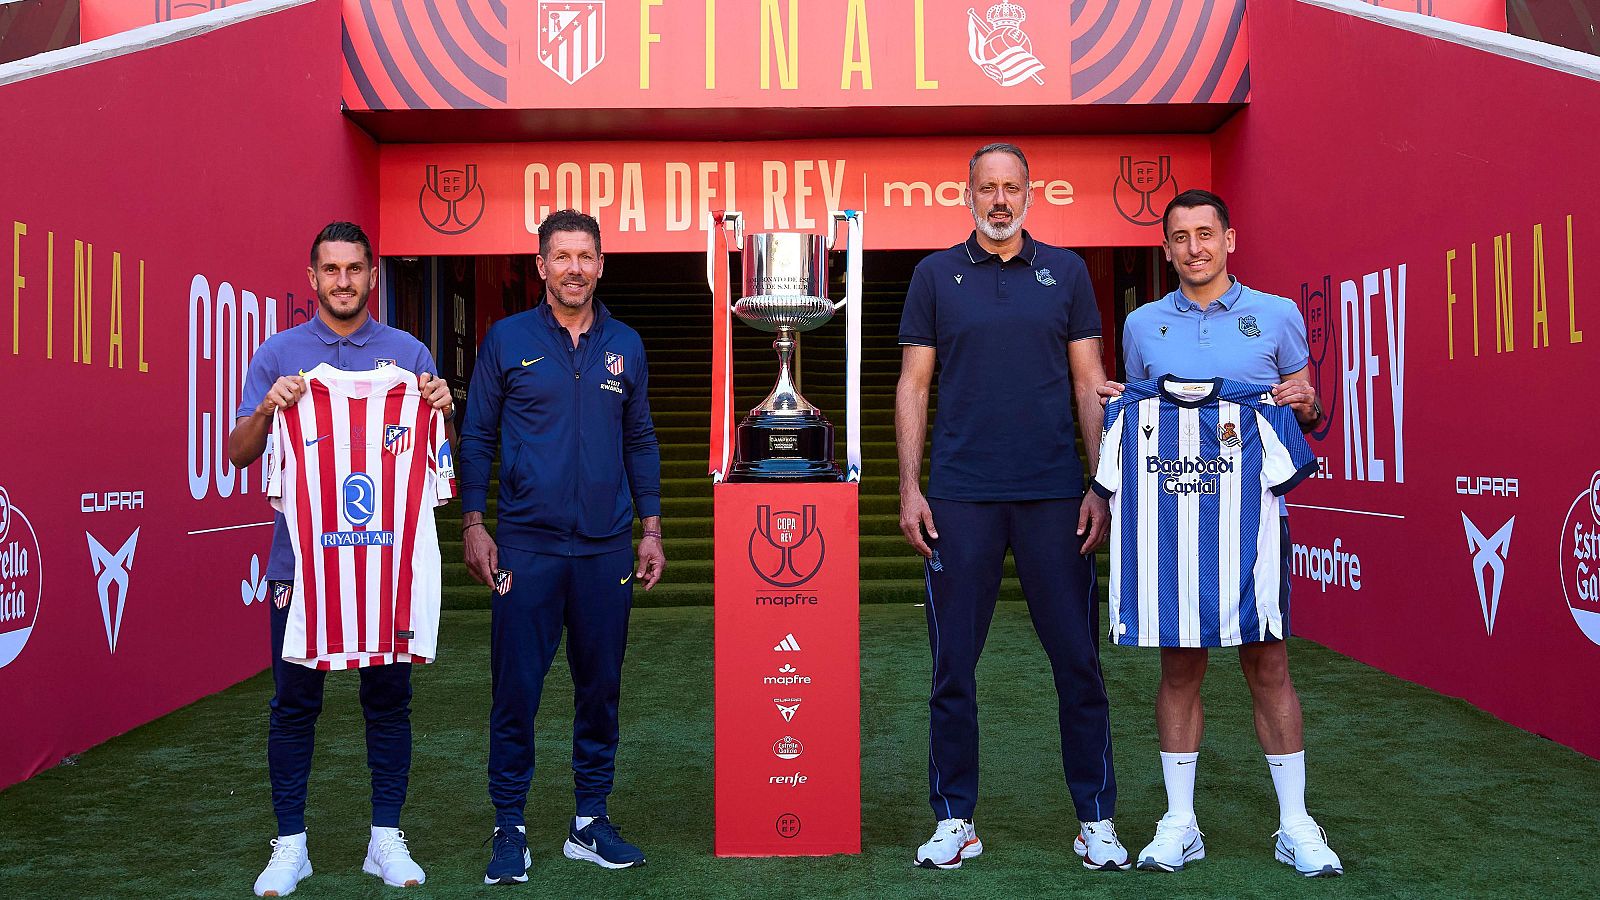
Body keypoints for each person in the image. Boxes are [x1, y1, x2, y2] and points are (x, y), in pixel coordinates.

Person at [896, 143, 1126, 871]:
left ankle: (1096, 818)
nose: (999, 200)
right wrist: (911, 485)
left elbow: (1090, 382)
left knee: (1078, 665)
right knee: (952, 669)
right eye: (987, 188)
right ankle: (955, 818)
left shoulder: (1069, 271)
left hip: (1056, 494)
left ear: (1031, 193)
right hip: (960, 497)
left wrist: (1101, 484)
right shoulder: (935, 274)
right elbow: (913, 385)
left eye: (1011, 188)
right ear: (967, 193)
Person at [1103, 189, 1342, 877]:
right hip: (1173, 527)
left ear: (1229, 238)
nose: (1193, 248)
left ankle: (1295, 824)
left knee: (1268, 664)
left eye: (1205, 234)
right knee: (1179, 666)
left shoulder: (1276, 315)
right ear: (1167, 247)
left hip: (1254, 522)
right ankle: (1180, 823)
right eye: (1179, 237)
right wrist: (1118, 405)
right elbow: (1139, 418)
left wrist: (1308, 400)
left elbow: (1310, 410)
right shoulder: (1143, 325)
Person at [230, 221, 454, 896]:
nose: (344, 281)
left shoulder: (407, 354)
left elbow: (432, 469)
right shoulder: (279, 354)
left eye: (355, 269)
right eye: (331, 270)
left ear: (372, 275)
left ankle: (385, 838)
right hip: (300, 563)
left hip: (383, 565)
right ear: (312, 278)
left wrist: (442, 401)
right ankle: (290, 844)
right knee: (295, 701)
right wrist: (269, 410)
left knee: (389, 698)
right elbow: (240, 453)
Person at [458, 209, 665, 882]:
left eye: (586, 256)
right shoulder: (506, 339)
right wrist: (473, 522)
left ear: (601, 265)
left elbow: (640, 439)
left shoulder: (625, 344)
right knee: (516, 691)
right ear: (542, 265)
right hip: (526, 547)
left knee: (600, 689)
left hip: (606, 548)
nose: (575, 267)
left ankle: (588, 821)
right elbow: (478, 436)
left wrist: (652, 525)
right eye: (562, 256)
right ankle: (508, 826)